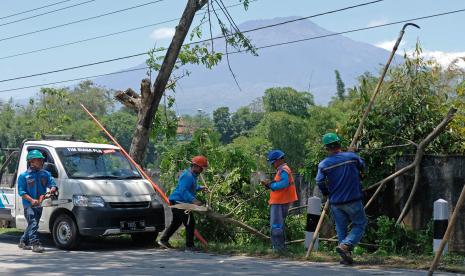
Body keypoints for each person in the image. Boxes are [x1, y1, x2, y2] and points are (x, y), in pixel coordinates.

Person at [316, 133, 367, 265]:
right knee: (360, 224)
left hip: (336, 202)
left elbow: (319, 181)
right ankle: (346, 245)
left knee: (341, 229)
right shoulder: (351, 157)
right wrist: (354, 154)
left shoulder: (324, 164)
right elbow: (362, 166)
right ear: (339, 144)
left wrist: (326, 193)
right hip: (353, 199)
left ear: (327, 148)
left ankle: (345, 256)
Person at [158, 155, 208, 251]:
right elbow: (183, 191)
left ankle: (163, 240)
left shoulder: (192, 176)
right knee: (190, 222)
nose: (202, 171)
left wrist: (200, 188)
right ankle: (189, 246)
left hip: (178, 201)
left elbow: (190, 187)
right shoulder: (187, 176)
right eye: (202, 168)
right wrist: (194, 200)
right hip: (179, 202)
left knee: (176, 222)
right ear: (196, 166)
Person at [18, 149, 57, 253]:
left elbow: (52, 184)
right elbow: (21, 192)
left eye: (41, 160)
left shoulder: (46, 174)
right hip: (29, 205)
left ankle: (23, 241)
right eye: (38, 160)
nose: (41, 162)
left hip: (39, 205)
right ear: (31, 161)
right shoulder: (23, 176)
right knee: (33, 223)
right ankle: (35, 244)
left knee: (32, 224)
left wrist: (53, 189)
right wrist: (31, 200)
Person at [261, 150, 298, 253]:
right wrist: (271, 184)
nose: (273, 164)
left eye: (273, 162)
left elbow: (284, 184)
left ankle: (278, 249)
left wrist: (271, 185)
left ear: (279, 160)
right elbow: (281, 182)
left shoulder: (283, 169)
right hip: (281, 200)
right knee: (278, 224)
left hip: (280, 201)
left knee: (276, 225)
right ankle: (279, 247)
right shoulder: (282, 169)